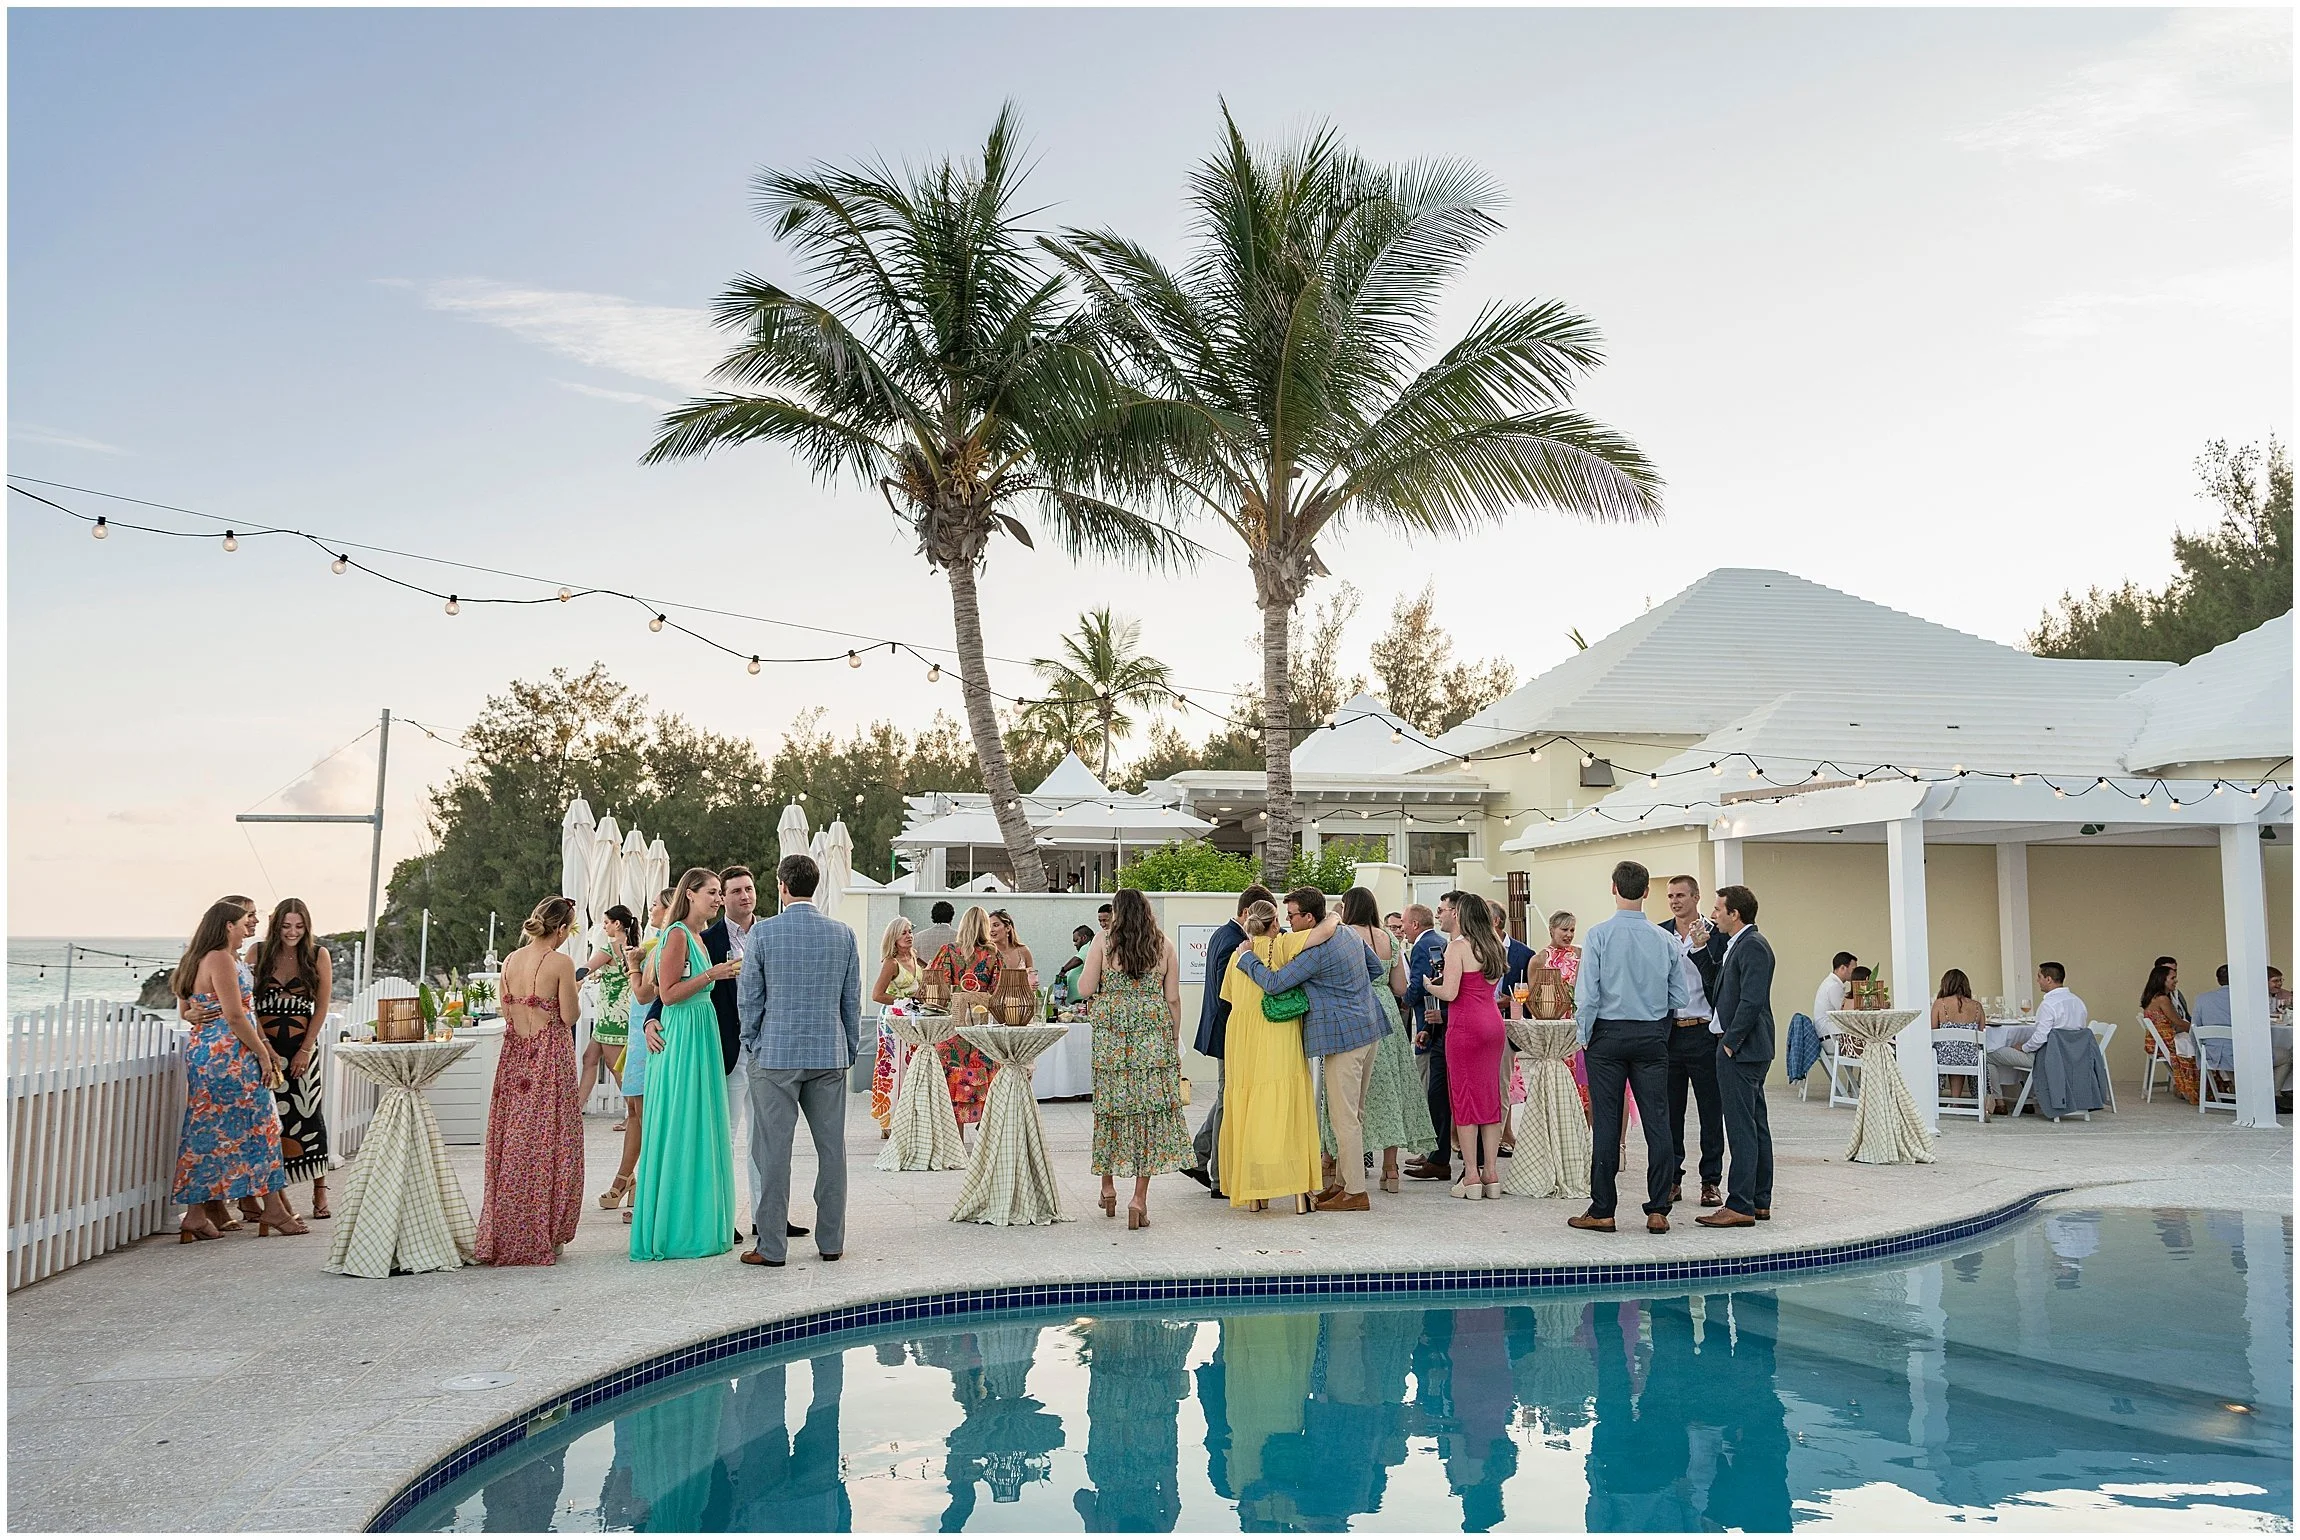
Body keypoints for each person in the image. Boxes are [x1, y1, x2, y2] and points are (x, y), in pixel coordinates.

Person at [737, 853, 862, 1267]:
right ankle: (832, 1242)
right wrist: (847, 1047)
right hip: (829, 1054)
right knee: (832, 1151)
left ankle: (772, 1247)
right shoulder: (843, 934)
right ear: (816, 885)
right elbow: (851, 1001)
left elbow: (750, 998)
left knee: (773, 1152)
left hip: (775, 1054)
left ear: (782, 886)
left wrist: (753, 1043)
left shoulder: (763, 933)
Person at [1233, 887, 1390, 1213]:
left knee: (1343, 1117)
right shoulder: (1348, 932)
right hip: (1369, 1027)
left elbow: (1274, 984)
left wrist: (1247, 958)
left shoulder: (1314, 953)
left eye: (1292, 915)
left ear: (1308, 917)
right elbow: (1375, 968)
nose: (1287, 922)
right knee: (1354, 1113)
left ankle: (1356, 1192)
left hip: (1343, 1039)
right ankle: (1344, 1183)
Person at [170, 897, 301, 1240]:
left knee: (207, 1132)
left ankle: (196, 1215)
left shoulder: (196, 958)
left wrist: (262, 1046)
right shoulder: (220, 958)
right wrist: (262, 1054)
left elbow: (187, 1010)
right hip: (230, 1055)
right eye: (245, 922)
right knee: (261, 1128)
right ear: (228, 925)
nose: (248, 928)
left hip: (205, 1053)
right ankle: (272, 1208)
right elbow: (235, 1016)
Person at [1570, 861, 1688, 1235]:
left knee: (1606, 1122)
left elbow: (1588, 996)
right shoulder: (1665, 939)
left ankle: (1603, 1209)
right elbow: (1680, 996)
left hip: (1607, 1034)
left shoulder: (1598, 935)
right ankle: (1658, 1208)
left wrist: (1584, 1035)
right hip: (1651, 1034)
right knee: (1658, 1120)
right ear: (1647, 892)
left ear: (1613, 888)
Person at [630, 867, 740, 1261]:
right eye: (712, 892)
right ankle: (675, 1229)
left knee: (700, 1124)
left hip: (702, 1030)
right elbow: (668, 994)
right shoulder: (676, 934)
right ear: (690, 894)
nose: (718, 899)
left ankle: (697, 1221)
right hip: (684, 1033)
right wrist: (714, 974)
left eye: (719, 893)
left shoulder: (696, 936)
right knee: (682, 1122)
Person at [477, 896, 586, 1265]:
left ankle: (509, 1228)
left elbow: (507, 1012)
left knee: (514, 1141)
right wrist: (574, 990)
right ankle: (546, 1230)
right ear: (562, 929)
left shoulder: (509, 961)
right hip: (550, 1058)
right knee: (552, 1141)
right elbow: (569, 1016)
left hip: (514, 1058)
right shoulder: (561, 962)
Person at [1076, 888, 1192, 1229]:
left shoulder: (1103, 942)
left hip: (1112, 1037)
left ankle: (1108, 1187)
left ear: (1117, 912)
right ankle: (1138, 1200)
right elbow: (1173, 999)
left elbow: (1084, 989)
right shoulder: (1164, 944)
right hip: (1153, 1036)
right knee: (1148, 1115)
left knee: (1111, 1109)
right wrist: (1173, 1040)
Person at [1322, 887, 1439, 1194]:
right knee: (1391, 1090)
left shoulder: (1344, 934)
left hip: (1354, 1009)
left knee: (1348, 1094)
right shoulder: (1388, 937)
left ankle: (1336, 1164)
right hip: (1386, 1013)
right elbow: (1400, 986)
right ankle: (1390, 1169)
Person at [1215, 895, 1327, 1211]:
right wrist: (1334, 915)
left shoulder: (1239, 956)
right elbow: (1323, 932)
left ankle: (1254, 1194)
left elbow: (1230, 997)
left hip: (1242, 1036)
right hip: (1278, 1032)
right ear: (1275, 922)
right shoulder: (1283, 945)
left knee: (1249, 1106)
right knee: (1287, 1105)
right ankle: (1298, 1193)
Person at [1185, 886, 1276, 1196]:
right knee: (1228, 1100)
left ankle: (1198, 1156)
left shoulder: (1224, 934)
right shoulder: (1234, 942)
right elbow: (1232, 994)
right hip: (1230, 1032)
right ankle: (1219, 1177)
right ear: (1247, 912)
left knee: (1226, 1095)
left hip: (1227, 1030)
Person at [249, 897, 334, 1219]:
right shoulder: (258, 953)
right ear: (276, 925)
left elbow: (322, 1006)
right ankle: (277, 1197)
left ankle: (319, 1190)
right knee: (270, 1119)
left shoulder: (317, 954)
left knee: (309, 1114)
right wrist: (264, 1048)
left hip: (301, 1047)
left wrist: (305, 1049)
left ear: (307, 927)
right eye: (286, 926)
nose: (292, 932)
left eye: (298, 926)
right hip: (264, 1049)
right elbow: (247, 1005)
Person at [1698, 885, 1775, 1227]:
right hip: (1744, 1048)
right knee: (1754, 1124)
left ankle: (1741, 1203)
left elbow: (1752, 999)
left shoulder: (1753, 945)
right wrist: (1700, 950)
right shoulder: (1739, 944)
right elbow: (1719, 987)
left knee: (1742, 1128)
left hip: (1742, 1050)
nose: (1713, 915)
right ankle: (1759, 1201)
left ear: (1735, 914)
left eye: (1718, 909)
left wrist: (1730, 1042)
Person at [1425, 892, 1510, 1200]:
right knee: (1489, 1098)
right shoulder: (1495, 945)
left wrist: (1429, 985)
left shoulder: (1458, 947)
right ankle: (1492, 1173)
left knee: (1464, 1099)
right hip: (1493, 1024)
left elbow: (1450, 992)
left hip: (1466, 1026)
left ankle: (1472, 1175)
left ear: (1462, 915)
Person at [701, 866, 767, 1233]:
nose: (745, 895)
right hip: (728, 1049)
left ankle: (765, 1218)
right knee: (724, 1137)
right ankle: (723, 1219)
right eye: (737, 891)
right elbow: (673, 981)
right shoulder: (707, 939)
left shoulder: (770, 932)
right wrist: (652, 1018)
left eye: (749, 888)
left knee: (765, 1138)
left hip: (765, 1050)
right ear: (723, 898)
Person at [1655, 876, 1726, 1210]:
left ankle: (1711, 1181)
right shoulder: (1660, 933)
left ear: (1696, 897)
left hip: (1703, 1030)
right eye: (1670, 896)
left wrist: (1704, 947)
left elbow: (1721, 979)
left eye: (1681, 895)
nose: (1674, 901)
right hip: (1669, 1032)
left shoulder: (1716, 933)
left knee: (1711, 1110)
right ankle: (1672, 1179)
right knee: (1670, 1112)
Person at [603, 889, 669, 1219]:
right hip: (637, 1036)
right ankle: (627, 1177)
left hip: (650, 1037)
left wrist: (632, 965)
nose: (650, 909)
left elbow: (643, 994)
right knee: (634, 1111)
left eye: (655, 904)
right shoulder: (653, 943)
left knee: (646, 1115)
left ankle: (645, 1190)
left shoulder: (659, 946)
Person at [925, 906, 998, 1129]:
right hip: (980, 1029)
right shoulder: (992, 954)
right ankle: (984, 1140)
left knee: (951, 1085)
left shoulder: (947, 951)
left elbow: (937, 986)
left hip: (952, 1027)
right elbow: (997, 991)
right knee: (984, 1083)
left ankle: (956, 1141)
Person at [1402, 900, 1457, 1182]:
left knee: (1433, 1093)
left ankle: (1435, 1155)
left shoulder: (1424, 946)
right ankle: (1433, 1154)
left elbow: (1423, 985)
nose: (1403, 929)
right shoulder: (1439, 942)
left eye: (1404, 924)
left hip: (1435, 1024)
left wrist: (1403, 999)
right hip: (1434, 1024)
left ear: (1414, 924)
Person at [1987, 963, 2084, 1113]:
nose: (2037, 980)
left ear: (2048, 979)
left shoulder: (2049, 1005)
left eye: (2039, 977)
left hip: (2049, 1059)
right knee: (2027, 1051)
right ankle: (2027, 1099)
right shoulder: (2078, 1002)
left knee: (1988, 1054)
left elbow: (2040, 1038)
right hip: (2073, 1058)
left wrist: (2023, 1047)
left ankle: (1998, 1102)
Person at [579, 904, 642, 1115]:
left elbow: (586, 968)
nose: (604, 926)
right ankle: (576, 1110)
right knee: (589, 1058)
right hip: (622, 1012)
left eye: (606, 922)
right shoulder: (634, 947)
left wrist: (567, 976)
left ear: (617, 924)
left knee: (616, 1067)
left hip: (611, 1015)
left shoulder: (609, 949)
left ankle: (634, 1114)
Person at [868, 917, 923, 1137]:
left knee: (910, 1067)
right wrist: (903, 1000)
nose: (909, 936)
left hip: (913, 1019)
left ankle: (907, 1118)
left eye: (910, 931)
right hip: (892, 1021)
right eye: (903, 933)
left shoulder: (915, 957)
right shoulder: (891, 963)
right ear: (894, 937)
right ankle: (888, 1121)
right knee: (892, 1068)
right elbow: (877, 994)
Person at [2143, 963, 2199, 1104]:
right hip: (2167, 1041)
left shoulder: (2152, 997)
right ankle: (2196, 1089)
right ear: (2163, 980)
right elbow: (2178, 1022)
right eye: (2172, 978)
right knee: (2198, 1046)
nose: (2176, 981)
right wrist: (2198, 1029)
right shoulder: (2163, 999)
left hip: (2158, 1041)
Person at [1813, 952, 1856, 1040]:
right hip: (1829, 1037)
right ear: (1843, 968)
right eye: (1853, 969)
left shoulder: (1830, 983)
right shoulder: (1834, 986)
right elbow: (1844, 1012)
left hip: (1827, 1033)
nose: (1855, 973)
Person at [986, 909, 1035, 984]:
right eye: (988, 927)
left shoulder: (1023, 950)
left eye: (995, 925)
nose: (991, 930)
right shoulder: (987, 954)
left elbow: (1032, 981)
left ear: (1008, 928)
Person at [914, 901, 959, 970]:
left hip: (924, 975)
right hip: (950, 975)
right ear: (951, 917)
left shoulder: (918, 937)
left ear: (933, 916)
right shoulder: (959, 937)